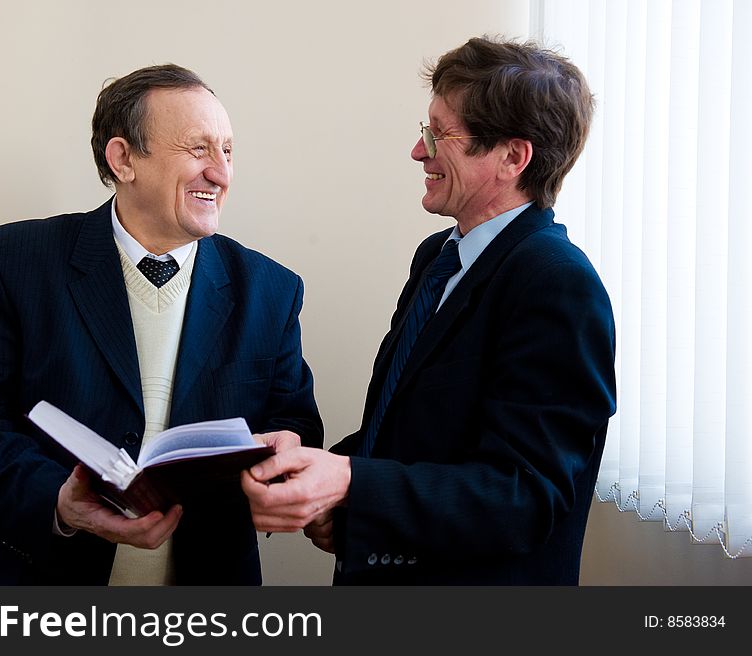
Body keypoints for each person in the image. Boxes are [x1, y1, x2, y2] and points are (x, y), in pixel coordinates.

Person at [0, 64, 323, 585]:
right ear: (124, 158)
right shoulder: (11, 261)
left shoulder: (272, 289)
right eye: (198, 149)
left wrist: (284, 459)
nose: (221, 173)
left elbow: (296, 426)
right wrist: (61, 503)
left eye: (227, 151)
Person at [242, 37, 616, 584]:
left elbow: (526, 495)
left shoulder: (558, 285)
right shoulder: (436, 258)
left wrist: (349, 484)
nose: (419, 152)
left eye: (439, 135)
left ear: (513, 157)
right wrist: (309, 472)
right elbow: (408, 429)